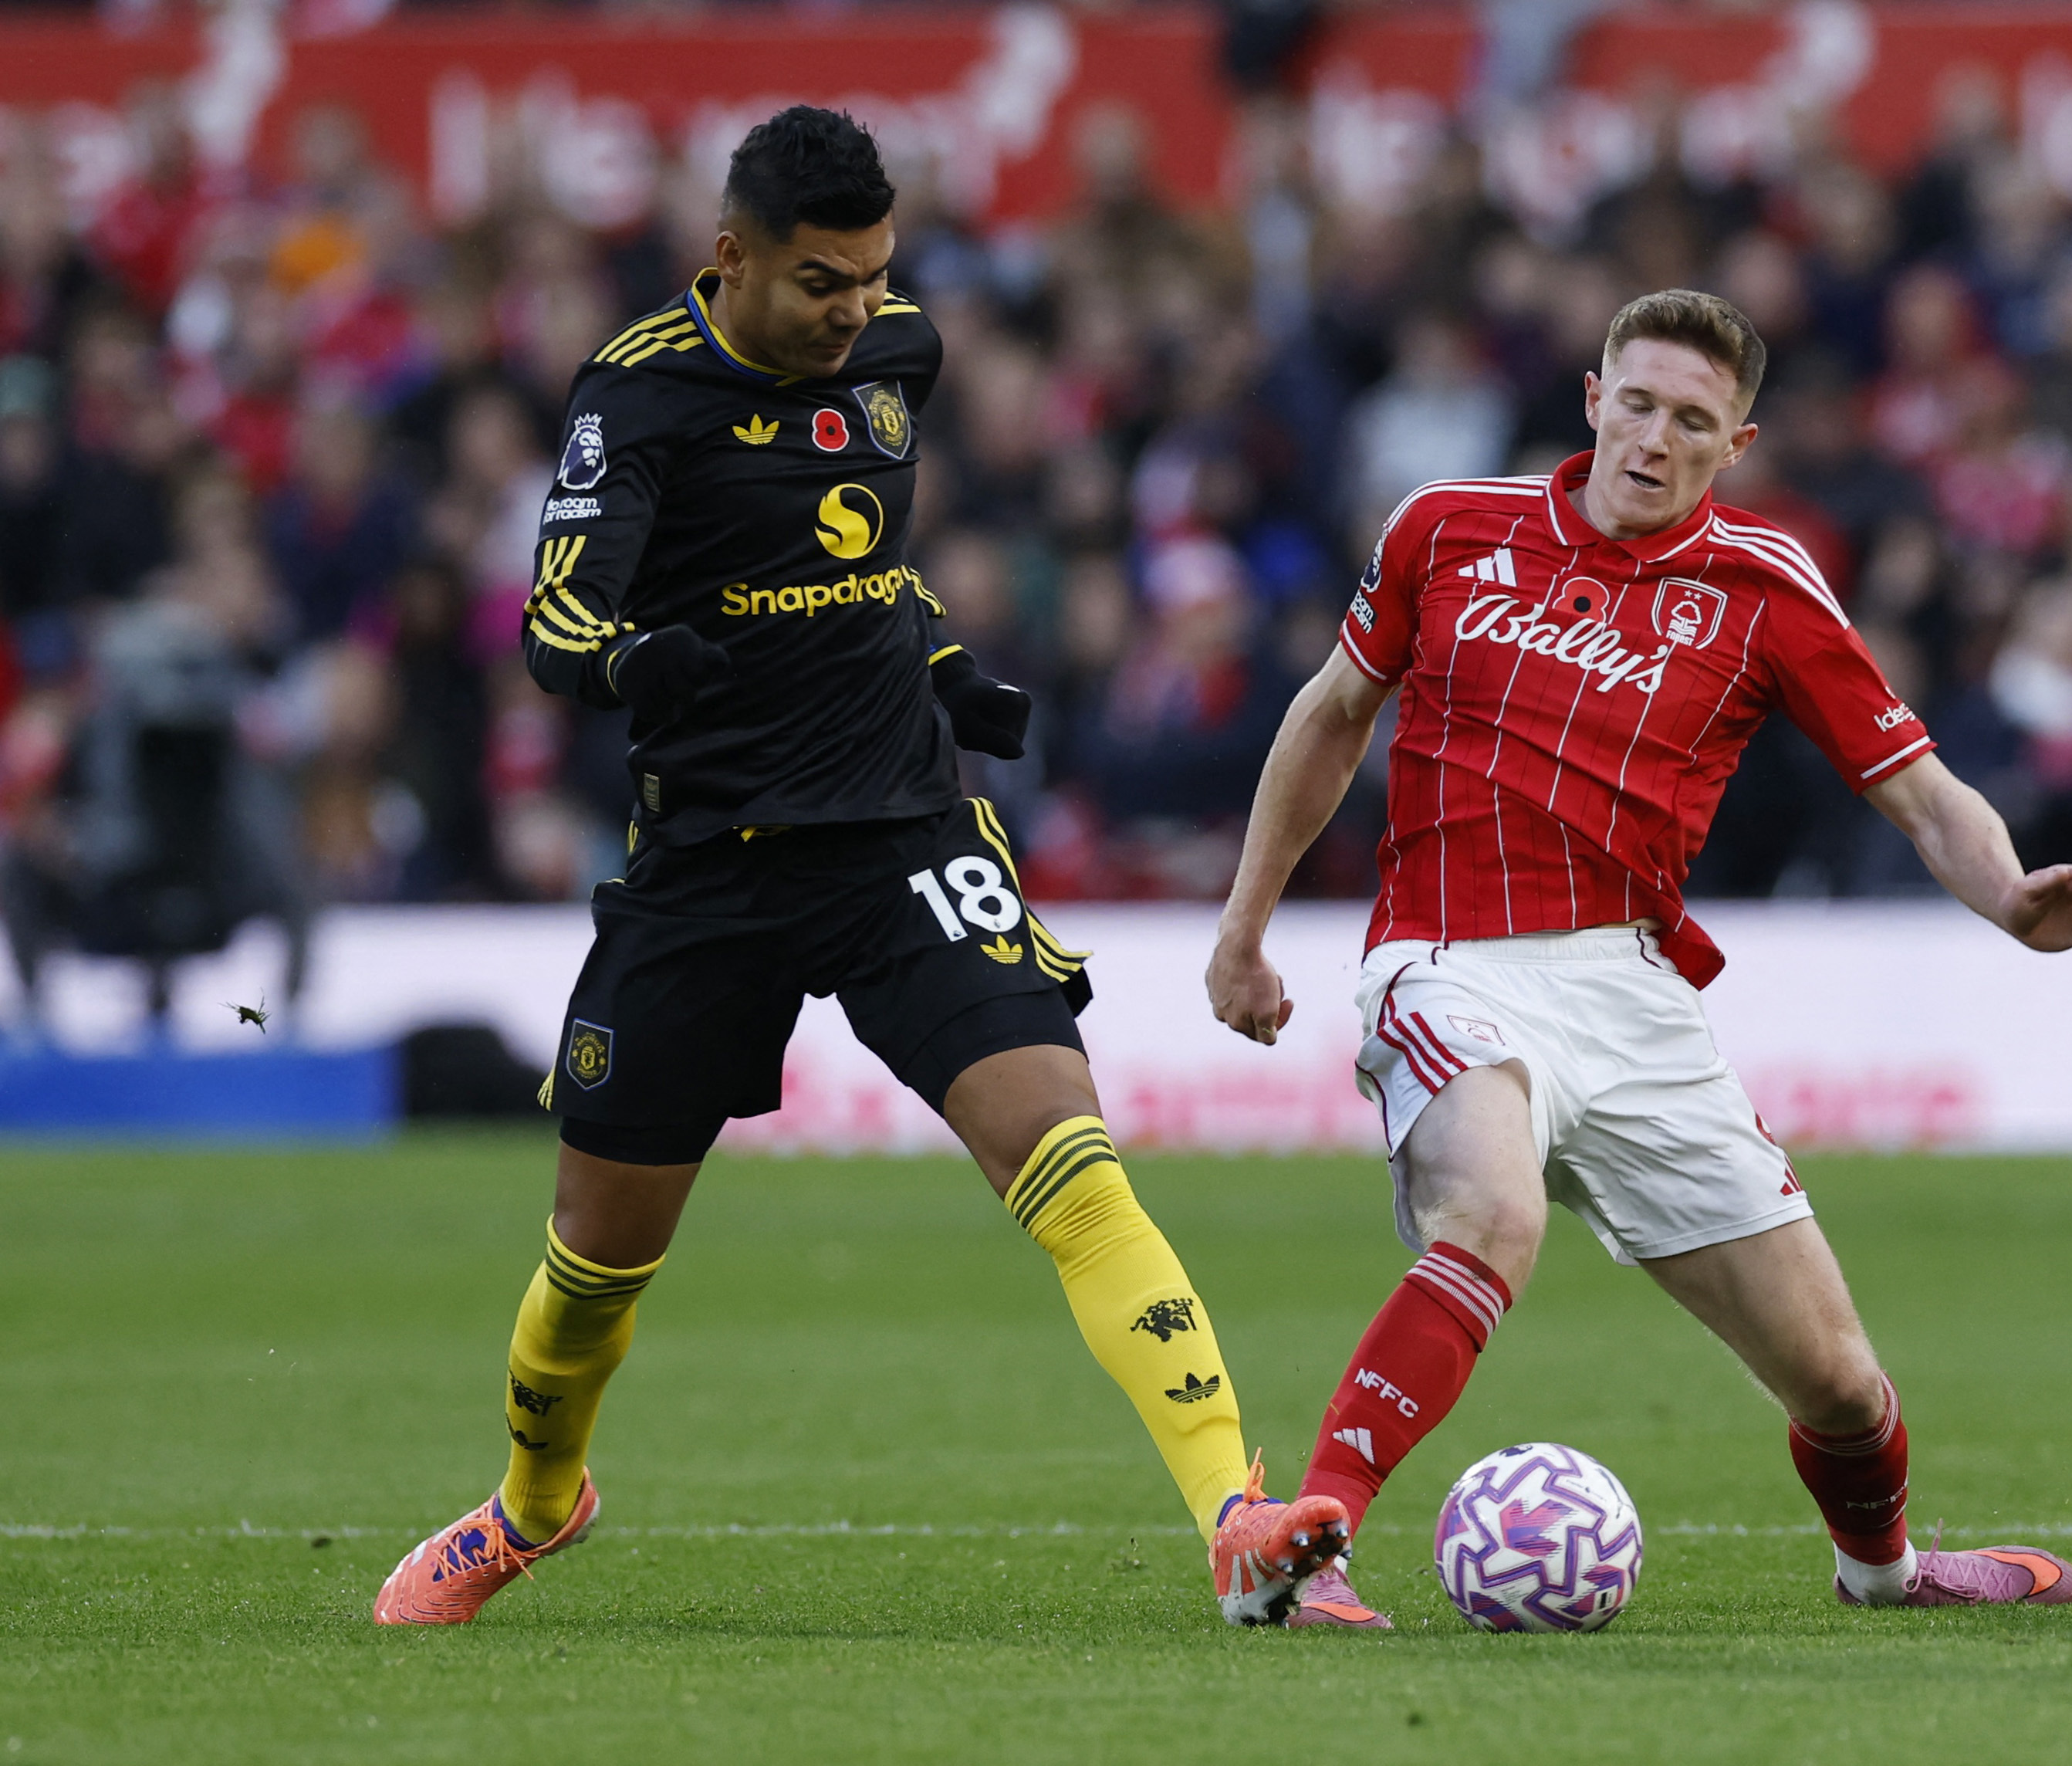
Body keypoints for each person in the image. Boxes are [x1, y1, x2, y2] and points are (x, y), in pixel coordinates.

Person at [376, 108, 1348, 1629]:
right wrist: (646, 658)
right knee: (595, 1257)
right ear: (731, 257)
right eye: (824, 282)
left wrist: (944, 667)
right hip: (709, 864)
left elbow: (869, 561)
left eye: (876, 277)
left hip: (905, 830)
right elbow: (551, 625)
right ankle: (534, 1507)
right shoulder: (636, 394)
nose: (857, 312)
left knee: (1070, 1157)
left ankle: (1236, 1515)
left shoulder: (900, 355)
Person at [1205, 288, 2072, 1626]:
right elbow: (1333, 711)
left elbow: (1919, 787)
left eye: (1689, 420)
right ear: (1591, 400)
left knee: (1838, 1383)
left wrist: (2009, 897)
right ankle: (1298, 1547)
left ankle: (1884, 1574)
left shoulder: (1763, 587)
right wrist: (1245, 929)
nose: (1651, 438)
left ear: (1735, 442)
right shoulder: (1445, 528)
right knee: (1494, 1214)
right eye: (1633, 404)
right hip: (1450, 955)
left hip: (1632, 995)